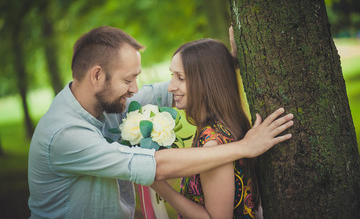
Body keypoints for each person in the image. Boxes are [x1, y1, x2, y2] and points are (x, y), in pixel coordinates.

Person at [27, 26, 294, 219]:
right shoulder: (64, 135)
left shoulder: (109, 104)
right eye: (128, 79)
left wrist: (226, 65)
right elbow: (155, 167)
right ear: (97, 76)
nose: (135, 89)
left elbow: (179, 87)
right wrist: (245, 147)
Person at [150, 38, 281, 218]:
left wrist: (158, 186)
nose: (171, 87)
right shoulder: (224, 126)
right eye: (172, 76)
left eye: (180, 78)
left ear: (206, 82)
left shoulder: (213, 143)